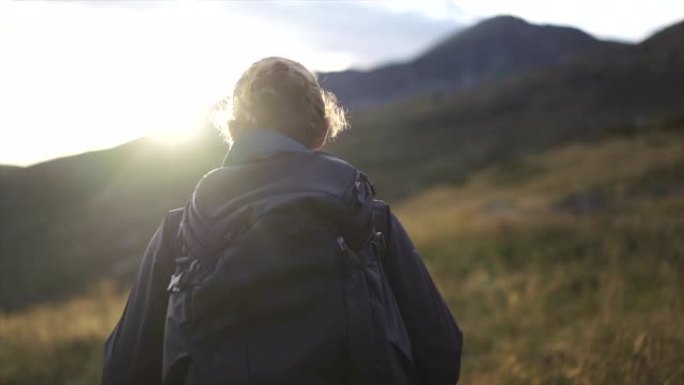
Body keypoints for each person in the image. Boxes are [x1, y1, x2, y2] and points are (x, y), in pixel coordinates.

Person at [102, 57, 462, 385]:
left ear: (233, 130)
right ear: (322, 130)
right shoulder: (368, 217)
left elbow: (123, 369)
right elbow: (441, 345)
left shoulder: (180, 234)